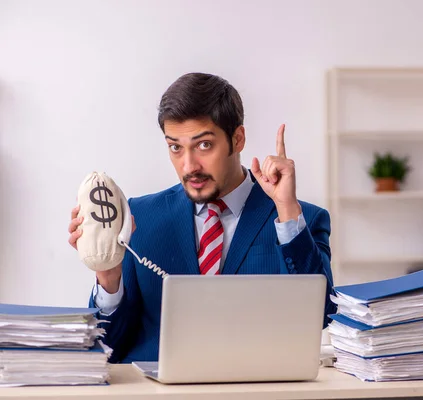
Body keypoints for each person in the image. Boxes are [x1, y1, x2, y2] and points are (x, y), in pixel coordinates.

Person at [68, 72, 336, 363]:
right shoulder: (137, 219)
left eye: (204, 145)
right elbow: (109, 348)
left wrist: (286, 210)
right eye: (175, 147)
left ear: (238, 138)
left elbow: (320, 316)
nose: (189, 166)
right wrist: (108, 274)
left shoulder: (300, 219)